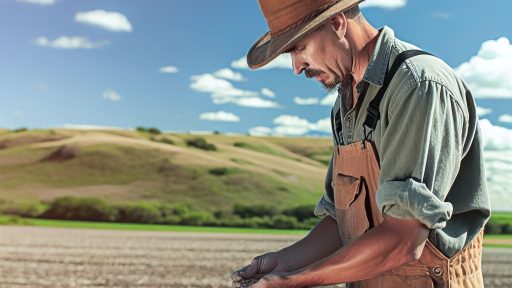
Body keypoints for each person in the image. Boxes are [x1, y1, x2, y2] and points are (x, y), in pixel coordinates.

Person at [231, 0, 491, 287]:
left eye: (299, 48)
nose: (296, 67)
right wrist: (284, 263)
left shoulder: (418, 85)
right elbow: (339, 223)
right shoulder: (344, 105)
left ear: (337, 23)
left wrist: (295, 280)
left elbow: (404, 240)